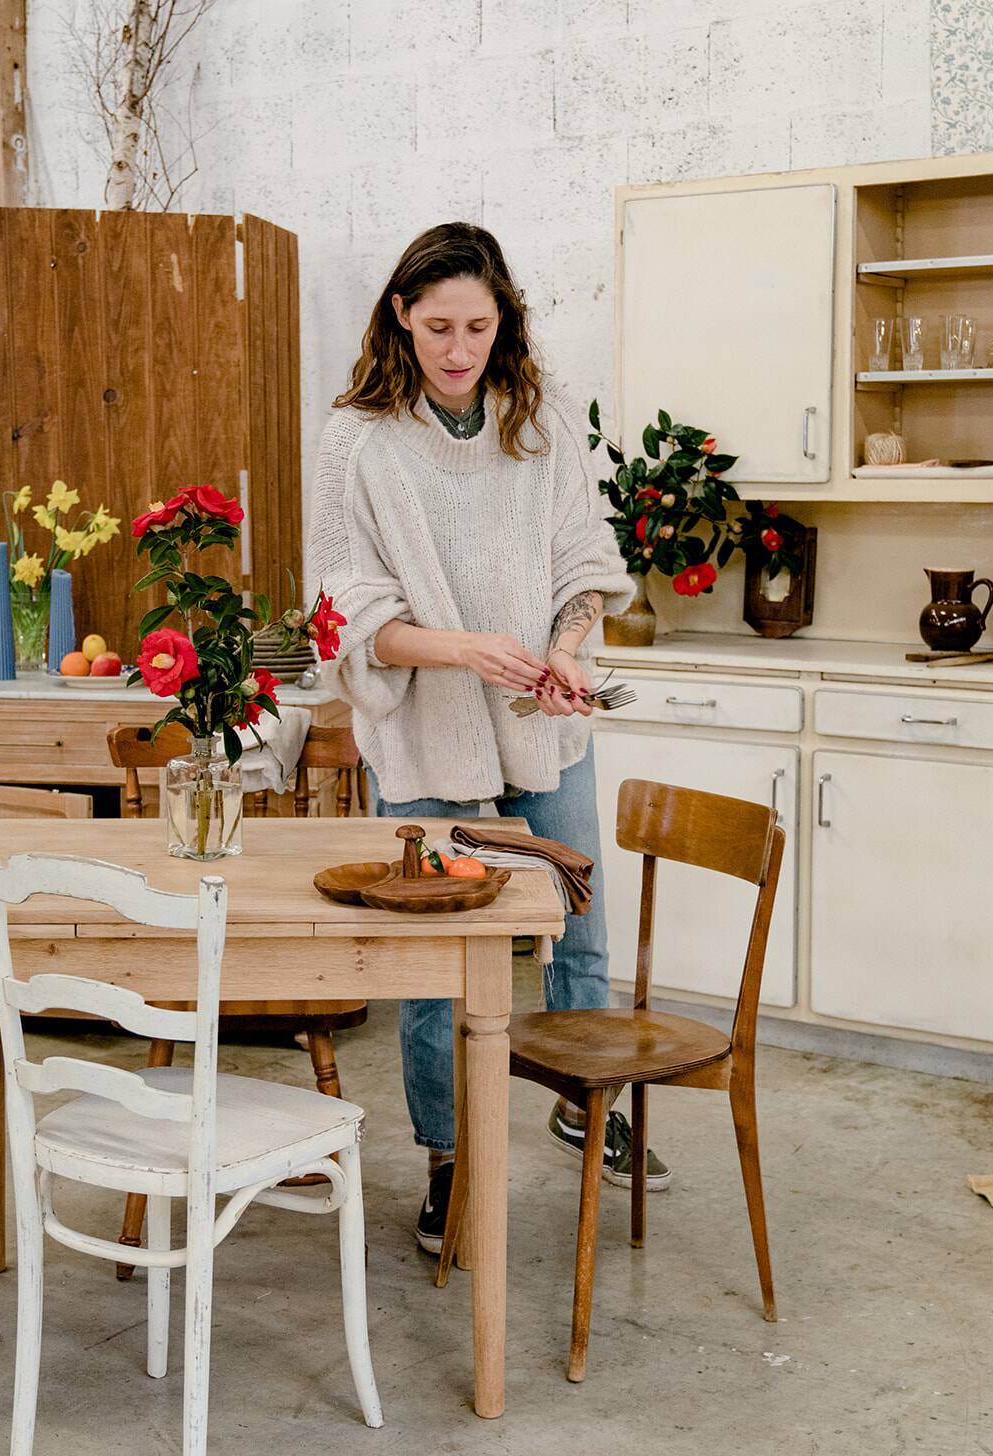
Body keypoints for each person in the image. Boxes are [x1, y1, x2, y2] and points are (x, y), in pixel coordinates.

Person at [307, 222, 670, 1253]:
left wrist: (564, 646)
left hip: (540, 724)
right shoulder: (357, 441)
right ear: (399, 321)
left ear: (503, 319)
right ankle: (447, 1158)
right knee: (435, 961)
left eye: (477, 325)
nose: (458, 349)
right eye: (437, 328)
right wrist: (465, 649)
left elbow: (582, 562)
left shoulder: (539, 422)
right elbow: (345, 605)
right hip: (423, 737)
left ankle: (581, 1103)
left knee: (574, 923)